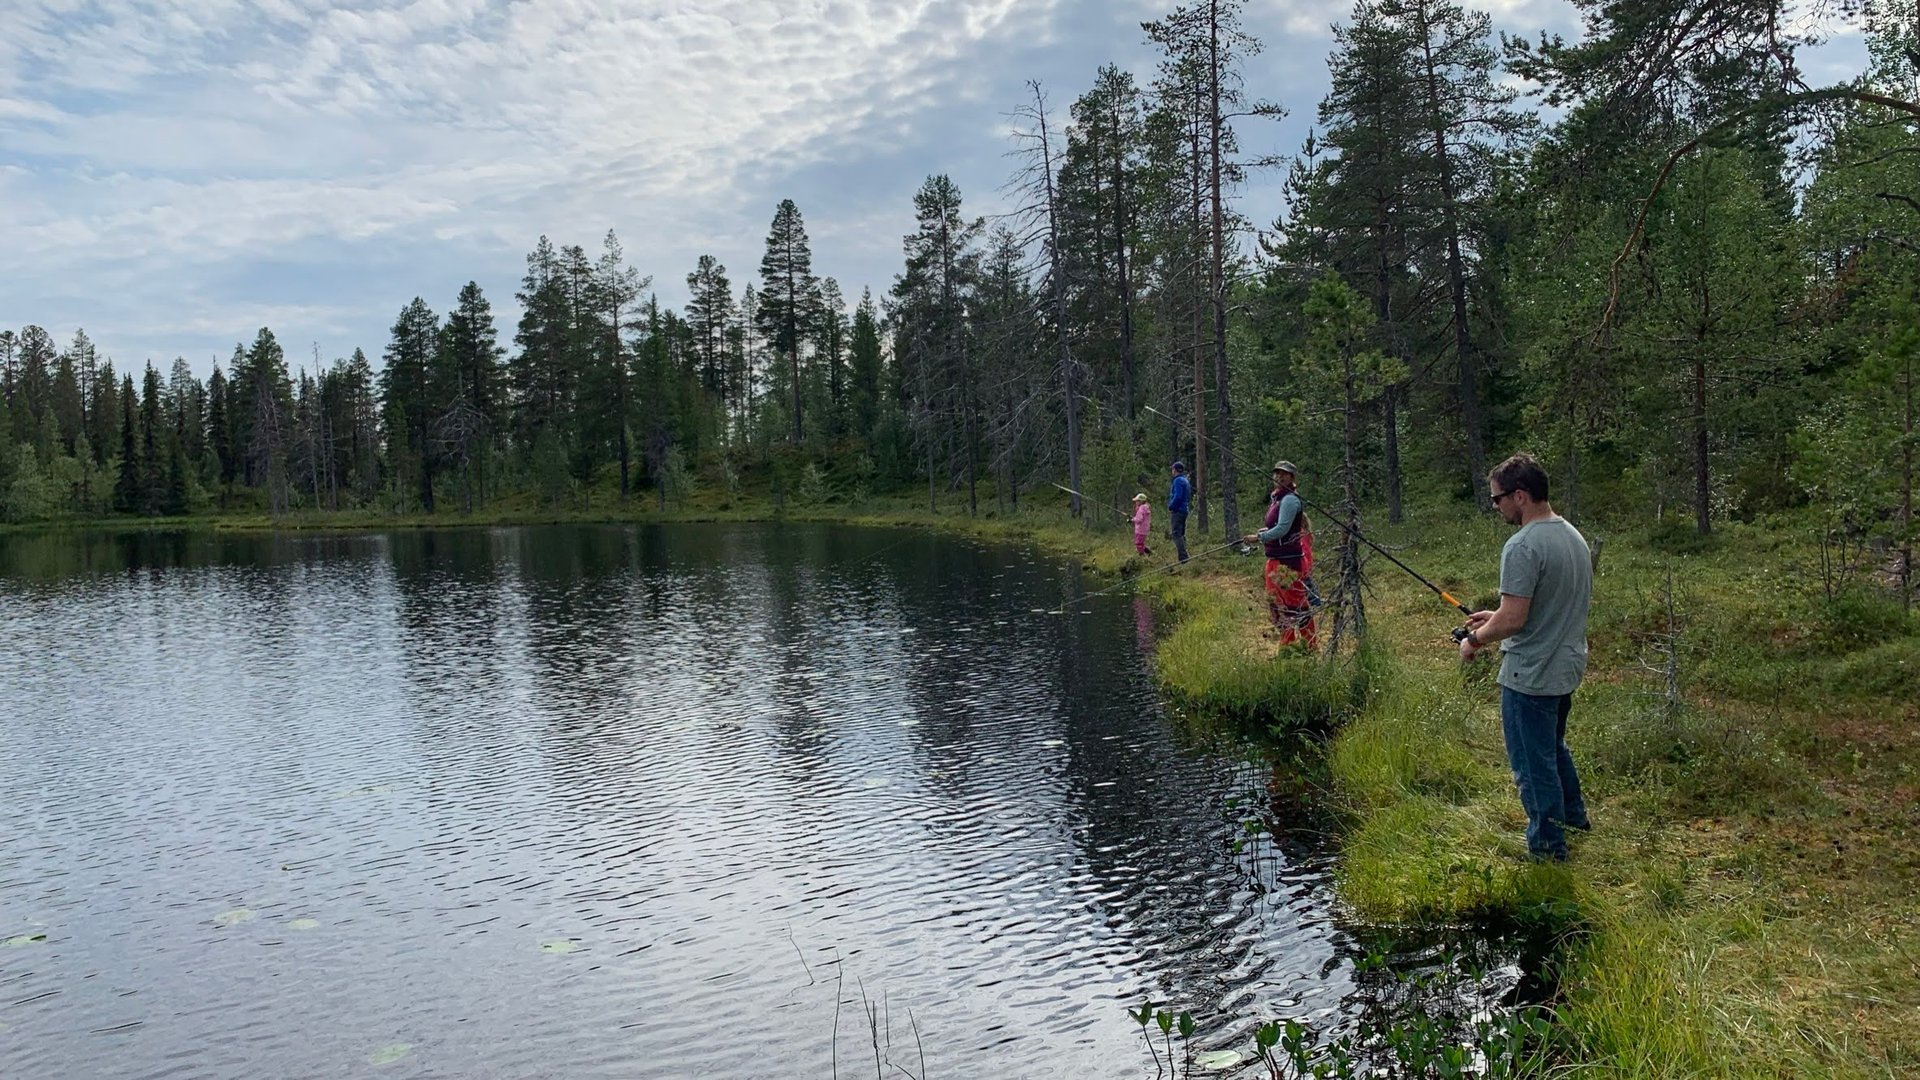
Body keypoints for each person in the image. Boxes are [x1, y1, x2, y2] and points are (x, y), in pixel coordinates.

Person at [1459, 453, 1593, 862]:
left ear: (1519, 496)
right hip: (1565, 667)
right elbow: (1539, 605)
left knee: (1533, 767)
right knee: (1553, 749)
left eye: (1497, 499)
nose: (1495, 507)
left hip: (1530, 675)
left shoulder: (1522, 545)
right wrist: (1496, 615)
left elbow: (1514, 620)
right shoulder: (1572, 536)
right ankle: (1575, 820)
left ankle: (1548, 850)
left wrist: (1474, 640)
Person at [1241, 461, 1317, 647]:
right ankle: (1288, 645)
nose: (1279, 477)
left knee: (1295, 604)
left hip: (1288, 561)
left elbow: (1282, 529)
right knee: (1276, 604)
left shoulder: (1290, 500)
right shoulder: (1277, 498)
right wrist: (1265, 531)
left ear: (1291, 477)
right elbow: (1277, 526)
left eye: (1284, 474)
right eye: (1277, 473)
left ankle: (1309, 645)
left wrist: (1259, 537)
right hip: (1275, 559)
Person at [1167, 461, 1192, 563]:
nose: (1172, 471)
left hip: (1178, 511)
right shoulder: (1185, 480)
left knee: (1176, 534)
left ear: (1175, 470)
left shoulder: (1177, 481)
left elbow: (1177, 496)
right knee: (1181, 534)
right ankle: (1185, 554)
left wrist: (1171, 506)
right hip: (1184, 510)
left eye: (1173, 469)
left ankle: (1183, 558)